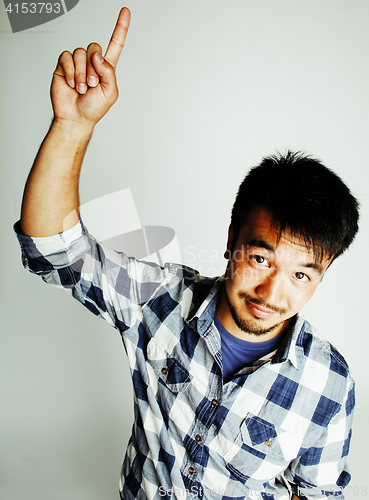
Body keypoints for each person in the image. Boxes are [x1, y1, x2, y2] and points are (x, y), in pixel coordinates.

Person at [14, 7, 359, 500]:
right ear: (231, 241)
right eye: (260, 259)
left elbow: (319, 493)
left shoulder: (330, 383)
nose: (272, 294)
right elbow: (54, 253)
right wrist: (73, 127)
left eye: (302, 275)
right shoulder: (159, 299)